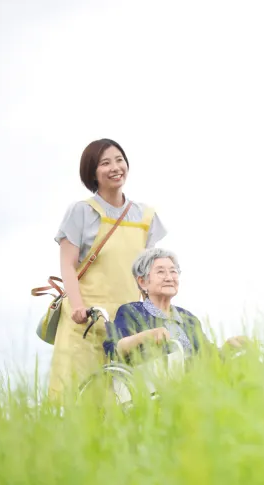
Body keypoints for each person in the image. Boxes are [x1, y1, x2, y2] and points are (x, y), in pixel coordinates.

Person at [48, 138, 168, 403]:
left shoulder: (144, 216)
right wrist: (78, 307)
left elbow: (149, 271)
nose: (115, 167)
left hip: (126, 321)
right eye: (105, 163)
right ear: (93, 172)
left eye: (119, 160)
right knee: (77, 398)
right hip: (85, 320)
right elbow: (68, 264)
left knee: (125, 398)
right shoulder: (81, 212)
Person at [103, 247, 248, 365]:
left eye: (173, 271)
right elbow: (116, 349)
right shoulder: (131, 312)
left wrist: (227, 348)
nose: (169, 277)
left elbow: (207, 355)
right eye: (161, 272)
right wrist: (148, 335)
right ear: (142, 282)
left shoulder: (188, 318)